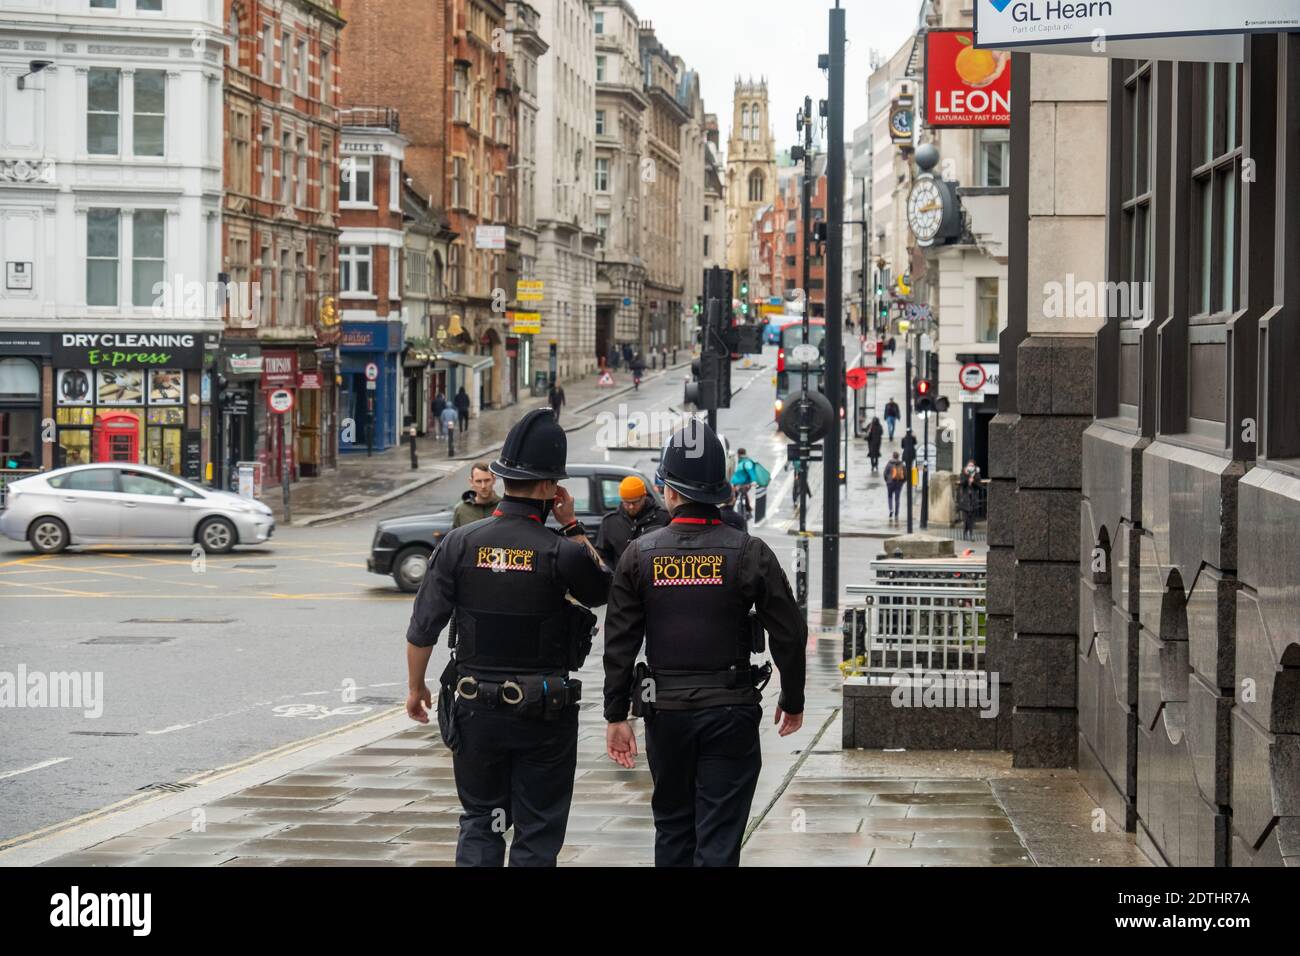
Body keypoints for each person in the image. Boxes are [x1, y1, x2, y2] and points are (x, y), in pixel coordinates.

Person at [404, 408, 611, 867]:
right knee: (537, 831)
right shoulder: (560, 550)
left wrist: (416, 687)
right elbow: (602, 590)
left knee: (481, 820)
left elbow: (424, 626)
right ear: (547, 488)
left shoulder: (460, 543)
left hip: (476, 706)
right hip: (544, 711)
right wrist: (573, 525)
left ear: (502, 478)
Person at [602, 419, 807, 867]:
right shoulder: (750, 552)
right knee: (718, 836)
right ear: (721, 491)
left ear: (670, 491)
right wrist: (792, 697)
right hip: (729, 711)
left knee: (673, 827)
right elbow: (789, 631)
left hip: (666, 713)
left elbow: (619, 641)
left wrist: (616, 714)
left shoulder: (639, 554)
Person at [594, 475, 669, 568]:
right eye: (626, 502)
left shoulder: (663, 518)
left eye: (635, 502)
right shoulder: (609, 522)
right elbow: (602, 555)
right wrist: (613, 576)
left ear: (644, 496)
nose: (631, 507)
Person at [452, 462, 501, 528]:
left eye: (487, 480)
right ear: (471, 482)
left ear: (494, 480)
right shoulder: (461, 511)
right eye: (478, 481)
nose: (483, 486)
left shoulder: (504, 507)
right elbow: (456, 537)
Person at [957, 471, 980, 541]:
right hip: (965, 502)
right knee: (966, 519)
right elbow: (962, 484)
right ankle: (965, 533)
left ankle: (970, 534)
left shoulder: (976, 475)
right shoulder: (963, 475)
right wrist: (967, 479)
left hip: (973, 502)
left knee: (971, 520)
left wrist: (973, 482)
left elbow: (979, 486)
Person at [884, 451, 906, 520]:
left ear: (893, 456)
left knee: (890, 496)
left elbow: (885, 473)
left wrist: (887, 481)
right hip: (899, 483)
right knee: (897, 498)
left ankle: (891, 509)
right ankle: (896, 513)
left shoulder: (889, 464)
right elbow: (905, 475)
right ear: (898, 456)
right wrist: (902, 482)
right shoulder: (902, 464)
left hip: (890, 483)